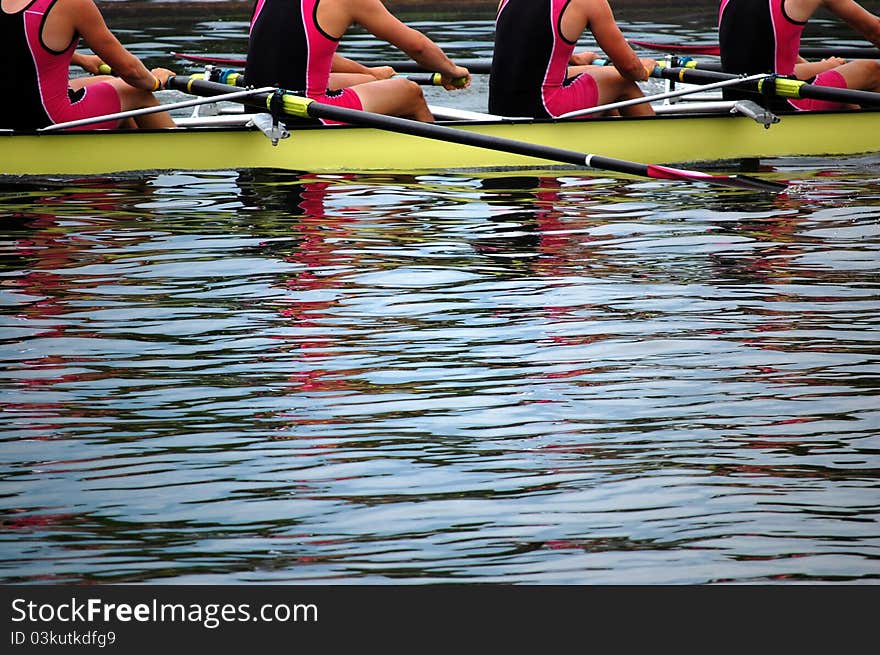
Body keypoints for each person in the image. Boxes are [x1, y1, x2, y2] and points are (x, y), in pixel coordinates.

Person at [245, 0, 471, 123]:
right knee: (409, 92)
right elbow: (417, 47)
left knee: (367, 79)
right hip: (305, 111)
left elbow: (309, 54)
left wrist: (369, 71)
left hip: (257, 103)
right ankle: (428, 158)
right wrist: (451, 69)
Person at [1, 0, 176, 131]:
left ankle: (125, 156)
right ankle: (175, 155)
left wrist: (81, 59)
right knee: (135, 91)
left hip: (7, 116)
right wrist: (156, 82)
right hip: (47, 120)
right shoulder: (72, 3)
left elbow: (15, 45)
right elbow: (130, 71)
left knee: (107, 81)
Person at [488, 0, 657, 119]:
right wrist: (645, 69)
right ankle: (655, 145)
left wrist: (575, 58)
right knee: (621, 81)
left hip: (499, 108)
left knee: (601, 73)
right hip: (545, 109)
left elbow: (526, 48)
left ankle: (606, 139)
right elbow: (630, 68)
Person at [718, 0, 880, 110]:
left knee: (842, 88)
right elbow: (875, 32)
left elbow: (771, 58)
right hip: (778, 105)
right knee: (872, 70)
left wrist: (825, 67)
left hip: (735, 100)